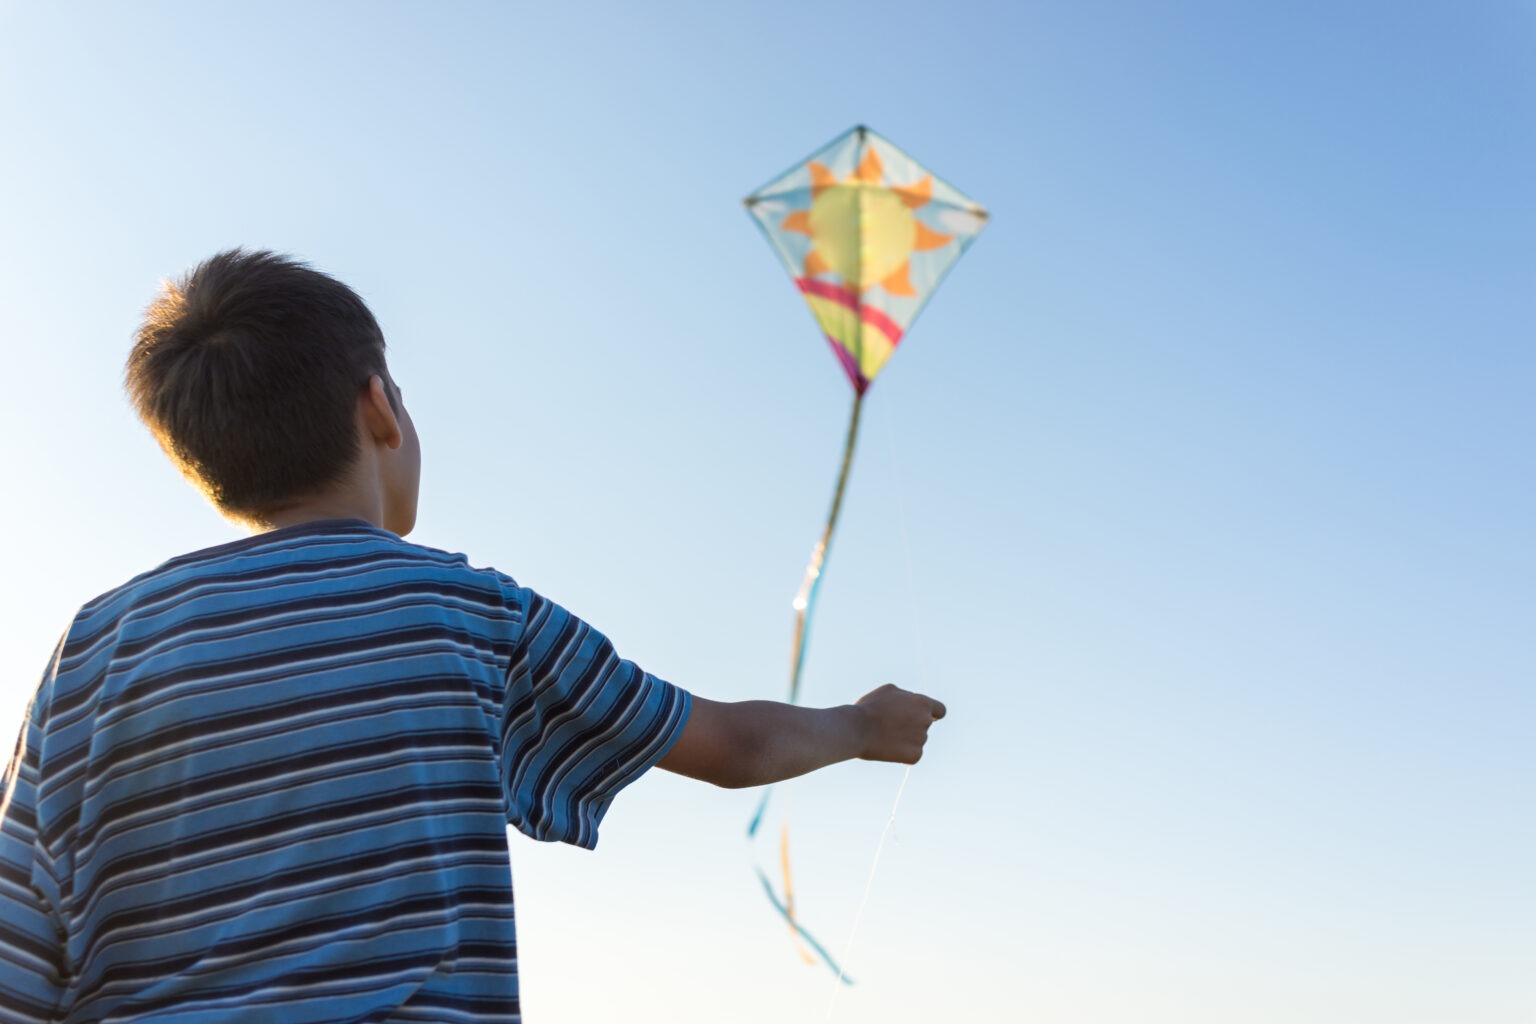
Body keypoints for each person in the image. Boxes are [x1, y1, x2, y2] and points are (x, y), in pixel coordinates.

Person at [0, 249, 945, 1023]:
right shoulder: (468, 611)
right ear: (380, 407)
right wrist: (863, 726)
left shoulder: (97, 645)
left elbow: (22, 943)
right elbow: (735, 746)